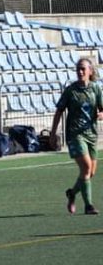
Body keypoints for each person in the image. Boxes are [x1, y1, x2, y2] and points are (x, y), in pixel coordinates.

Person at [49, 57, 103, 215]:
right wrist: (53, 133)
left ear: (90, 71)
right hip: (75, 135)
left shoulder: (96, 89)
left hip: (92, 135)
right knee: (86, 168)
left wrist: (101, 114)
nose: (80, 72)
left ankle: (72, 193)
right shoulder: (71, 90)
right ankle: (89, 206)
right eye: (78, 69)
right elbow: (59, 111)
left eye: (83, 69)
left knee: (90, 173)